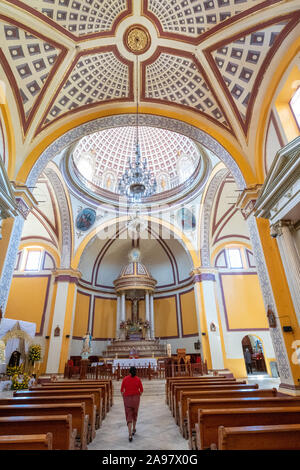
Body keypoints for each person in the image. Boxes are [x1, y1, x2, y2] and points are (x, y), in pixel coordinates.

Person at [120, 366, 143, 442]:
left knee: (129, 415)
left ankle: (130, 434)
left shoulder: (125, 379)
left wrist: (124, 395)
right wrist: (138, 395)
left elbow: (122, 390)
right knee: (135, 414)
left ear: (129, 372)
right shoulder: (138, 379)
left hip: (127, 399)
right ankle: (134, 429)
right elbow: (141, 390)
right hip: (136, 398)